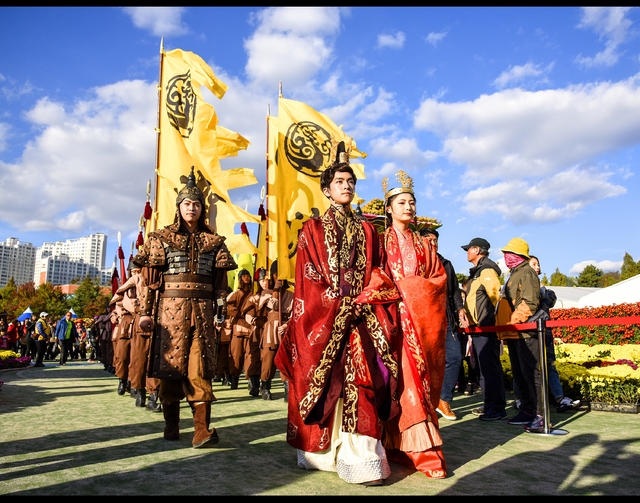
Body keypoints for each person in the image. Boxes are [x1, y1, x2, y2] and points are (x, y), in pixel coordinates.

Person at [274, 141, 400, 486]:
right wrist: (336, 303)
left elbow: (379, 271)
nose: (346, 186)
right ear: (327, 190)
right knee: (328, 381)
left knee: (362, 381)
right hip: (324, 317)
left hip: (362, 318)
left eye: (351, 182)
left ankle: (361, 459)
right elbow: (308, 279)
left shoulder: (369, 231)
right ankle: (323, 453)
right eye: (340, 182)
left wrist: (366, 298)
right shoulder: (312, 230)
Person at [135, 167, 237, 448]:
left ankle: (201, 431)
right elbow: (151, 281)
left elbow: (220, 286)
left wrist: (221, 314)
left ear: (203, 209)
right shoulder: (161, 238)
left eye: (196, 204)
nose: (191, 208)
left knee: (199, 369)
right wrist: (145, 313)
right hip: (169, 313)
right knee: (170, 371)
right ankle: (171, 426)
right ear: (178, 208)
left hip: (203, 315)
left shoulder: (214, 242)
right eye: (186, 204)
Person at [380, 172, 448, 478]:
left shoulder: (426, 245)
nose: (408, 206)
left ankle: (424, 452)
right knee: (393, 385)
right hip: (391, 323)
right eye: (401, 202)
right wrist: (396, 294)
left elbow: (438, 280)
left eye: (411, 202)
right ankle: (394, 444)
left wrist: (410, 289)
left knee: (416, 384)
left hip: (419, 324)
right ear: (389, 208)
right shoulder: (380, 242)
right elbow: (375, 278)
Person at [495, 238, 544, 433]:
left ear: (518, 255)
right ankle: (527, 409)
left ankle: (540, 414)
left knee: (531, 374)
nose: (506, 257)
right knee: (520, 374)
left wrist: (512, 323)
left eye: (509, 253)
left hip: (525, 332)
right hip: (515, 332)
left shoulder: (526, 272)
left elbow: (529, 303)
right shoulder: (514, 273)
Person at [422, 228, 469, 422]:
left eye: (435, 240)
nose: (433, 244)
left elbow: (454, 291)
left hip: (446, 317)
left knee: (455, 356)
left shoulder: (446, 263)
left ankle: (444, 399)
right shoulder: (413, 261)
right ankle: (422, 403)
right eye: (429, 240)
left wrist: (460, 310)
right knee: (423, 361)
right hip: (422, 318)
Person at [526, 255, 580, 414]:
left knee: (550, 365)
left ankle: (559, 398)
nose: (537, 267)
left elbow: (551, 299)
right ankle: (522, 399)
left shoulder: (546, 291)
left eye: (538, 264)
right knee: (527, 366)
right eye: (533, 264)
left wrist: (541, 290)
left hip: (546, 333)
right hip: (528, 333)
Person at [462, 237, 507, 421]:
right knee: (483, 369)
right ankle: (490, 404)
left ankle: (496, 408)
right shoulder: (479, 270)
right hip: (480, 327)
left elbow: (496, 296)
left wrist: (494, 323)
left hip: (486, 327)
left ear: (477, 250)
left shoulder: (486, 269)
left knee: (489, 368)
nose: (466, 252)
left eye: (468, 249)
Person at [121, 260, 162, 411]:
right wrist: (141, 308)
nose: (137, 273)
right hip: (140, 320)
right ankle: (139, 391)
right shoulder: (134, 282)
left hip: (160, 320)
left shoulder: (161, 278)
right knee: (138, 359)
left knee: (155, 359)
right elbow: (125, 300)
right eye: (134, 271)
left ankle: (154, 395)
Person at [253, 267, 293, 401]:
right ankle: (265, 386)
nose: (278, 277)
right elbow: (273, 305)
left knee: (285, 358)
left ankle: (287, 388)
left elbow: (295, 313)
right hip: (271, 329)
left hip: (285, 329)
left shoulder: (291, 294)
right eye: (276, 274)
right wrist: (276, 289)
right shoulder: (266, 292)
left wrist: (287, 325)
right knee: (268, 359)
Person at [226, 268, 261, 396]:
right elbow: (229, 307)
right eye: (244, 275)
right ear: (240, 278)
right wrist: (241, 314)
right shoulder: (236, 293)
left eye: (248, 275)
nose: (246, 277)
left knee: (250, 356)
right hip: (238, 328)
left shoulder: (254, 294)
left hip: (250, 328)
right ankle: (234, 379)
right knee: (236, 355)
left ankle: (251, 380)